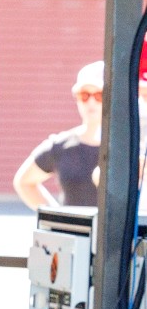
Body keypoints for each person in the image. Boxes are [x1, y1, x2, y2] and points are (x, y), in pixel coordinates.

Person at [15, 62, 104, 210]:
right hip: (74, 232)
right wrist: (56, 218)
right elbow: (24, 182)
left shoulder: (130, 148)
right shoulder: (61, 146)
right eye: (85, 95)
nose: (91, 102)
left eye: (99, 95)